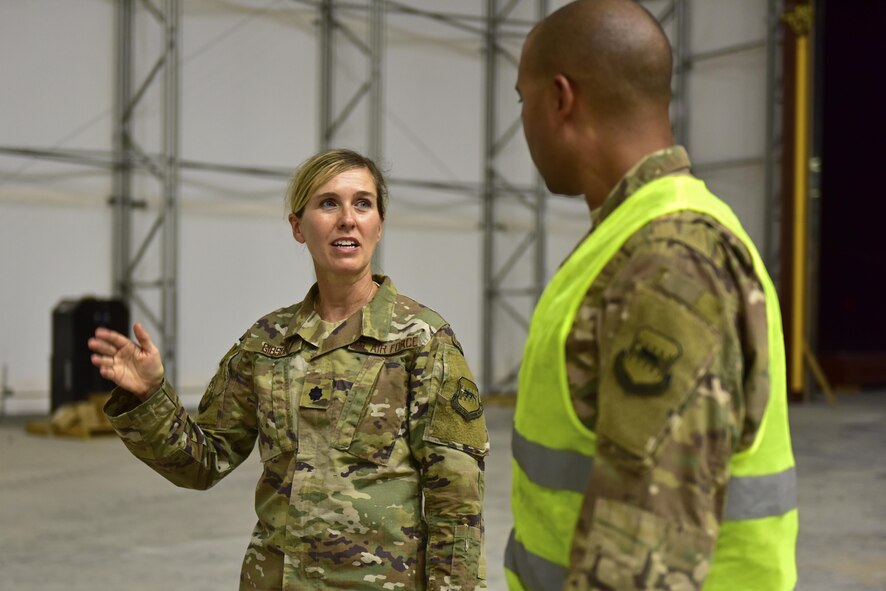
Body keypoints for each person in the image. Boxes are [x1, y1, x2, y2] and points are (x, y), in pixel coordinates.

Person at [88, 148, 489, 590]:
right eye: (328, 203)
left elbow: (457, 504)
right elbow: (203, 462)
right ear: (298, 227)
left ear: (379, 225)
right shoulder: (267, 344)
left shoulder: (421, 340)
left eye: (363, 203)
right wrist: (149, 396)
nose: (347, 219)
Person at [505, 1, 798, 590]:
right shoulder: (637, 236)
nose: (524, 122)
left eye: (522, 100)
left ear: (561, 99)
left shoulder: (669, 261)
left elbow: (643, 559)